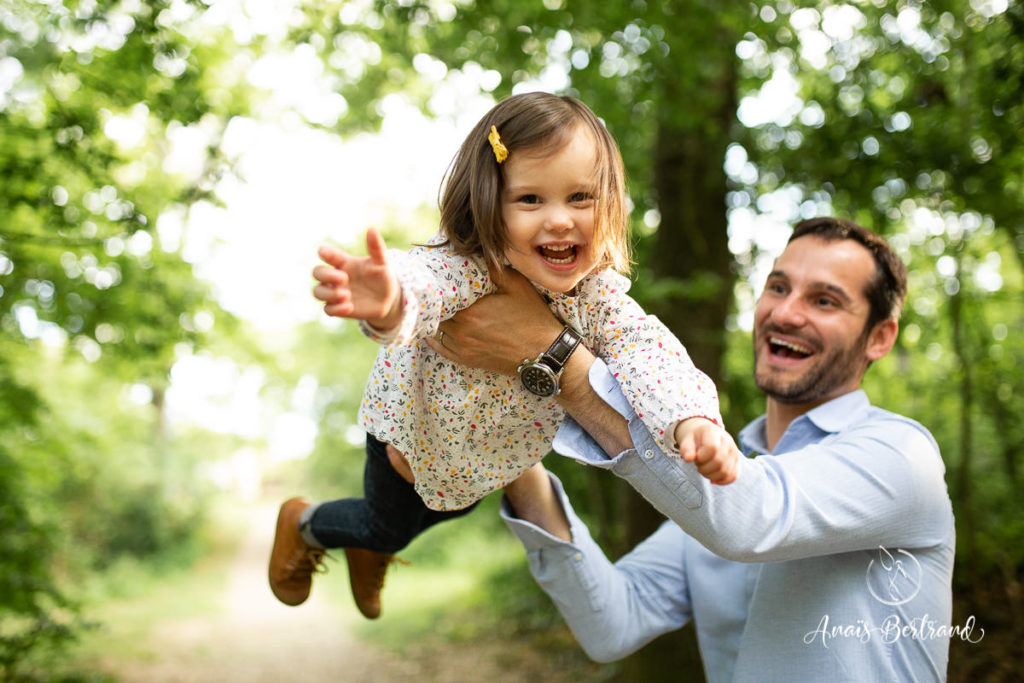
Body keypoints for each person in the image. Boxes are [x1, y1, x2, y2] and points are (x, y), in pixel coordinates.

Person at [268, 92, 739, 619]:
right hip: (408, 438)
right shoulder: (472, 268)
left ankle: (372, 546)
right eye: (531, 200)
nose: (559, 220)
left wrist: (692, 420)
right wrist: (389, 301)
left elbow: (650, 353)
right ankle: (305, 523)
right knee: (389, 526)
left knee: (459, 505)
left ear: (609, 201)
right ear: (489, 205)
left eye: (580, 197)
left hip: (482, 463)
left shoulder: (598, 296)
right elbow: (423, 283)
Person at [427, 218, 956, 681]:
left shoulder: (901, 455)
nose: (786, 313)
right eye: (778, 288)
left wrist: (557, 361)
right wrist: (514, 455)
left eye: (824, 300)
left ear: (880, 338)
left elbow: (747, 518)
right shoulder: (719, 469)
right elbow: (614, 623)